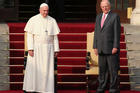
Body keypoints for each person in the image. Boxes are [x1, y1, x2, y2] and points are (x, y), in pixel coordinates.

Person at [23, 3, 60, 93]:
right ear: (39, 10)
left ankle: (46, 89)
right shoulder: (33, 19)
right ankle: (34, 88)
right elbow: (30, 35)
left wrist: (56, 49)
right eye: (44, 10)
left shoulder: (52, 20)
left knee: (46, 70)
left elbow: (55, 36)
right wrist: (30, 48)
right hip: (36, 48)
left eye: (47, 10)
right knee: (35, 69)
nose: (45, 12)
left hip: (48, 49)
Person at [93, 0, 121, 93]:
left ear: (109, 6)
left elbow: (117, 33)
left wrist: (115, 46)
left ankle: (113, 88)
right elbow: (96, 32)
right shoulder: (98, 17)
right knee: (102, 69)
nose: (104, 8)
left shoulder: (115, 16)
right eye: (103, 6)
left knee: (113, 70)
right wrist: (95, 46)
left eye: (106, 6)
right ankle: (102, 86)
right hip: (101, 48)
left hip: (111, 48)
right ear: (101, 7)